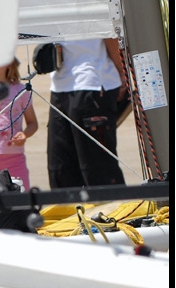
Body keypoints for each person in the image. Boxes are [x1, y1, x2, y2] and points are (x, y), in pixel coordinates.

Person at [46, 38, 127, 188]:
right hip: (59, 85)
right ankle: (70, 208)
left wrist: (122, 72)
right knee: (60, 167)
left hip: (92, 82)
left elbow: (109, 34)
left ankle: (114, 207)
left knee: (98, 167)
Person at [0, 58, 38, 189]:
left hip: (15, 160)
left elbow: (33, 123)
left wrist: (24, 134)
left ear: (9, 63)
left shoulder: (21, 90)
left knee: (21, 203)